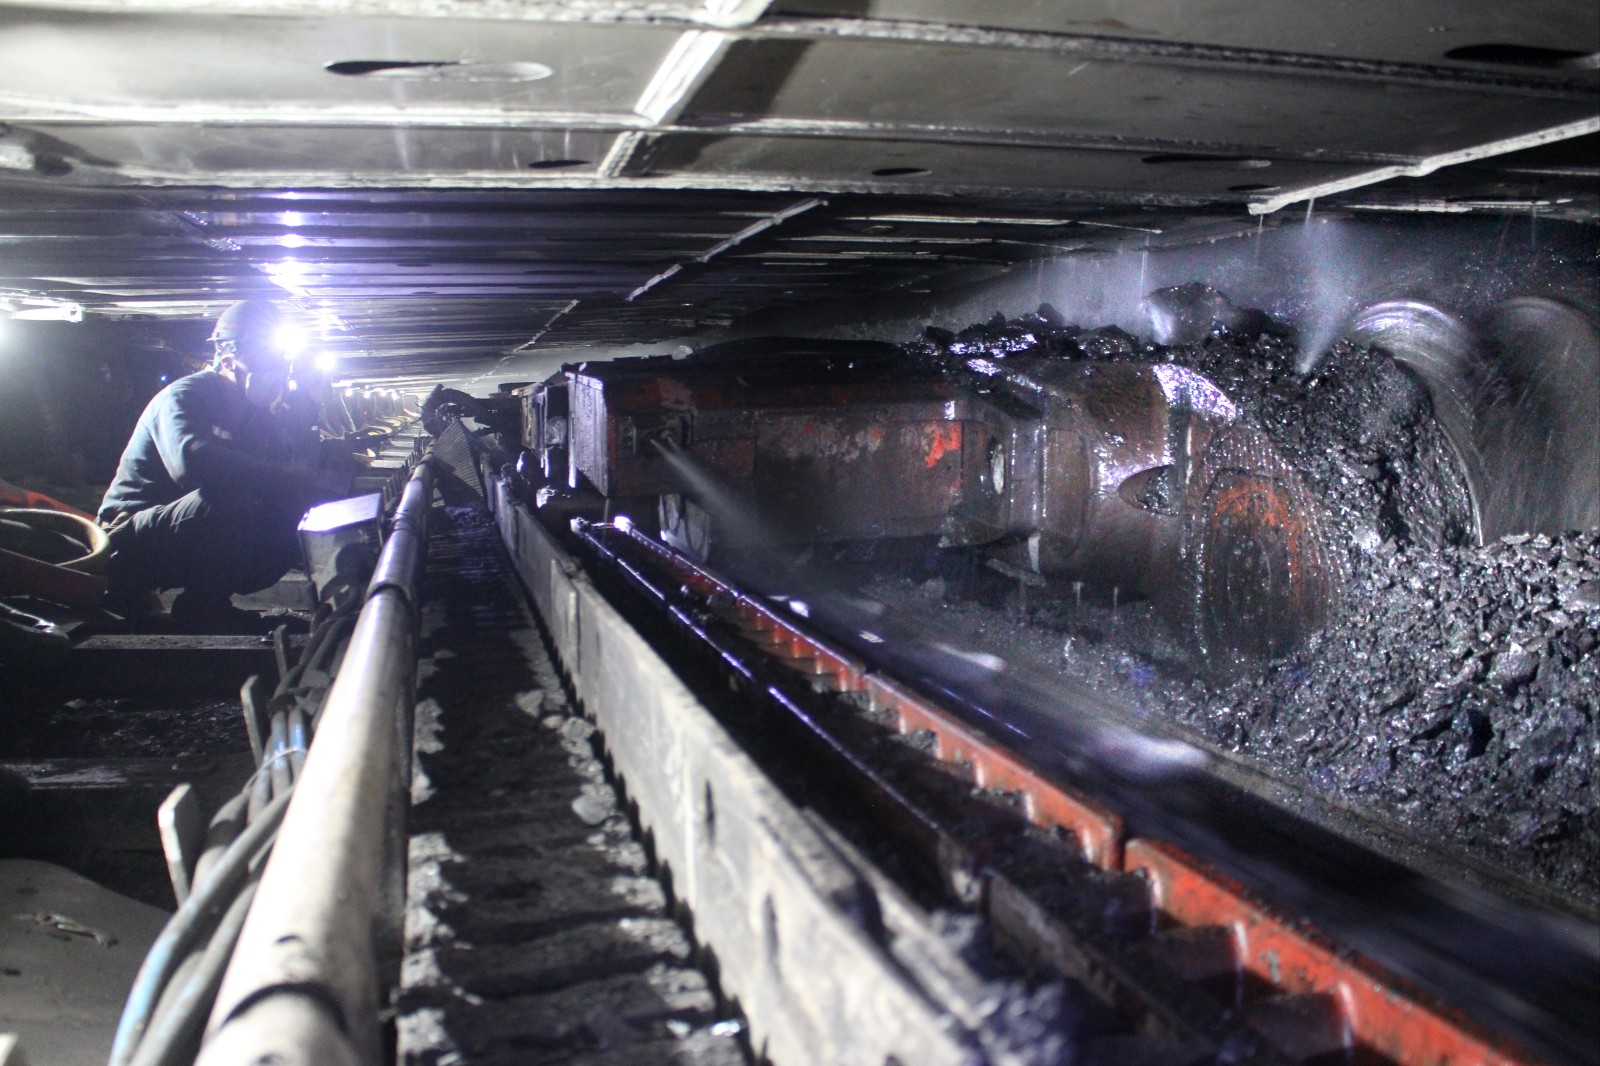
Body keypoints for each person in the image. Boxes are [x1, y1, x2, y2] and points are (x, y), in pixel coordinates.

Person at [98, 300, 321, 628]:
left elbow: (285, 479)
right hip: (129, 541)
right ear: (227, 358)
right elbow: (189, 463)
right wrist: (278, 475)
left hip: (190, 533)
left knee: (293, 507)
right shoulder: (184, 396)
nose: (275, 370)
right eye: (264, 360)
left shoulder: (258, 417)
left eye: (279, 361)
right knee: (229, 497)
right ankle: (201, 608)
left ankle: (214, 596)